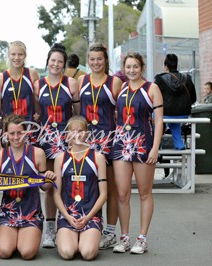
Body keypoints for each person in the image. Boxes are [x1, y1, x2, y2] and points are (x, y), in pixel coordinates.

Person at [112, 52, 163, 254]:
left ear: (142, 67)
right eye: (128, 67)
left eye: (135, 66)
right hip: (121, 145)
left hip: (143, 144)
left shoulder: (152, 88)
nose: (131, 70)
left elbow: (159, 120)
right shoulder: (122, 88)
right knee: (122, 193)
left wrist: (155, 148)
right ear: (124, 68)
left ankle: (142, 238)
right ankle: (124, 237)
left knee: (144, 193)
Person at [34, 43, 80, 248]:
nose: (55, 64)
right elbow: (37, 112)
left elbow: (77, 113)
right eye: (52, 60)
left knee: (68, 183)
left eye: (59, 61)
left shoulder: (71, 83)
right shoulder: (38, 84)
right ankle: (50, 229)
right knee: (50, 185)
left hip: (66, 140)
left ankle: (69, 224)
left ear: (64, 64)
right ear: (48, 62)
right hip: (45, 140)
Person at [0, 114, 57, 259]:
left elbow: (44, 187)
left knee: (27, 253)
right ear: (6, 135)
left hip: (31, 212)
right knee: (4, 252)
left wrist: (49, 179)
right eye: (12, 133)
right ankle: (10, 237)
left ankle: (23, 237)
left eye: (20, 132)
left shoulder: (37, 153)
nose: (16, 137)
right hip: (8, 213)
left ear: (26, 133)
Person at [77, 43, 122, 250]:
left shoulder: (115, 83)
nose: (96, 63)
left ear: (106, 61)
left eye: (99, 59)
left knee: (110, 189)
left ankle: (111, 231)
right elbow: (77, 111)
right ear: (88, 61)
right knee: (89, 187)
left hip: (108, 142)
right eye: (92, 59)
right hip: (86, 143)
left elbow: (121, 113)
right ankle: (88, 225)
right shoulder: (81, 81)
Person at [53, 116, 107, 260]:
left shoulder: (98, 157)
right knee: (67, 252)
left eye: (81, 131)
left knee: (88, 254)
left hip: (90, 215)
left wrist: (89, 217)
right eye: (73, 131)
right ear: (67, 134)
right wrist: (67, 216)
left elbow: (104, 194)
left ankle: (88, 238)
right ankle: (68, 237)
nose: (77, 134)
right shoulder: (60, 158)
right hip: (68, 215)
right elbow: (56, 194)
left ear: (87, 134)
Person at [0, 41, 40, 150]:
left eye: (20, 54)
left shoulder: (32, 74)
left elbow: (38, 102)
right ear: (8, 55)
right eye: (13, 54)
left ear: (25, 55)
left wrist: (38, 115)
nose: (16, 58)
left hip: (29, 130)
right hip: (9, 132)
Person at [154, 53, 197, 150]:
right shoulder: (187, 78)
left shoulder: (159, 79)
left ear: (165, 67)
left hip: (165, 114)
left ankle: (155, 143)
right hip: (183, 114)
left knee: (154, 117)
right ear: (176, 65)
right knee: (174, 121)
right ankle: (179, 144)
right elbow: (194, 98)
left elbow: (154, 99)